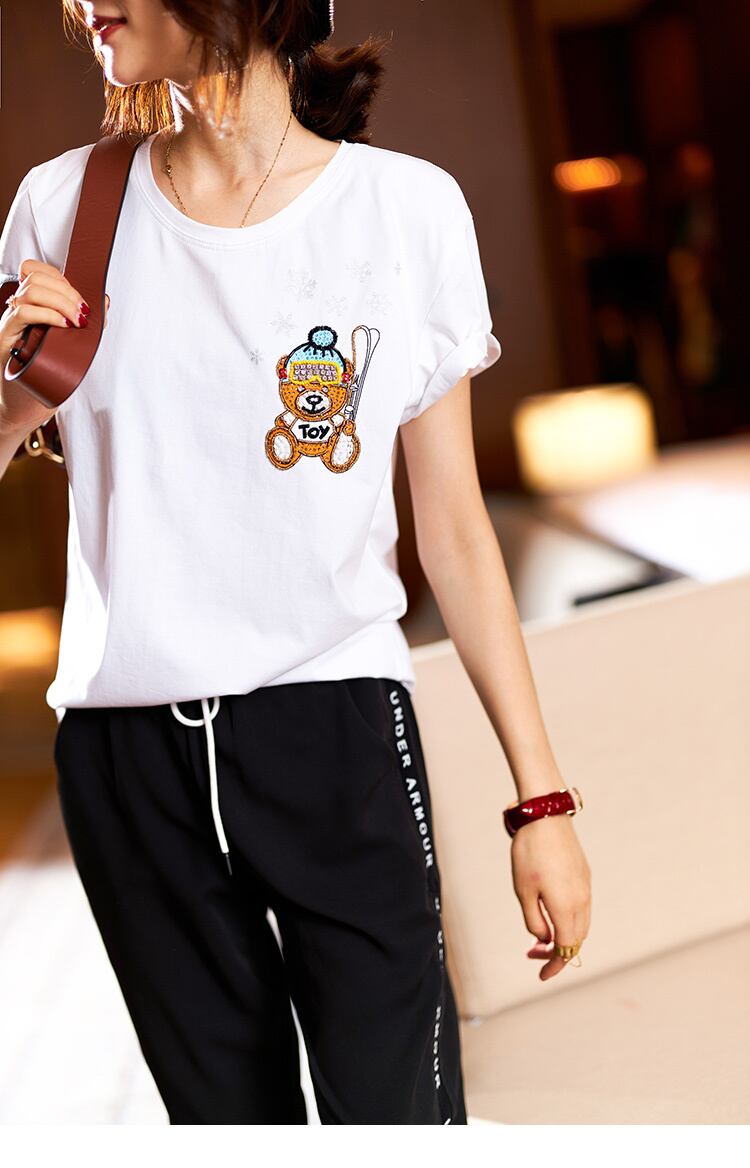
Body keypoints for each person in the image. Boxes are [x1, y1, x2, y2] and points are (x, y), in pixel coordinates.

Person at [0, 0, 592, 1126]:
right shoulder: (62, 204)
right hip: (129, 760)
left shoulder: (406, 210)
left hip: (334, 731)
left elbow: (456, 532)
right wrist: (19, 392)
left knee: (398, 1124)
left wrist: (541, 800)